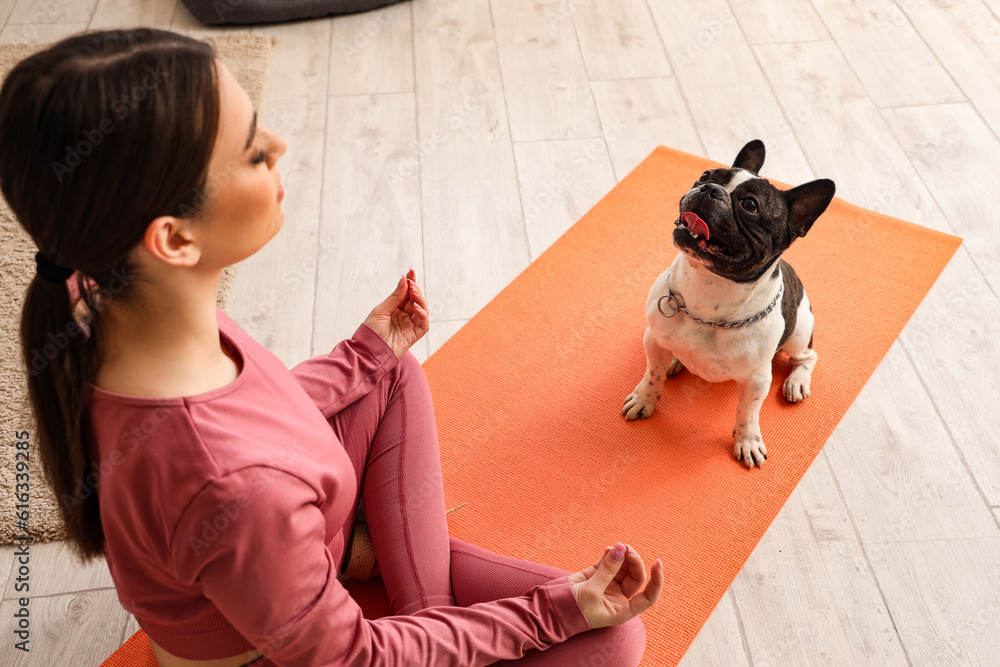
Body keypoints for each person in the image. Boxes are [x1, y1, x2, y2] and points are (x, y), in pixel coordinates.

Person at [3, 27, 662, 666]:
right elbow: (353, 655)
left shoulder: (113, 302)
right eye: (252, 152)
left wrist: (366, 351)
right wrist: (553, 613)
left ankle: (401, 595)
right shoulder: (234, 486)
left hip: (269, 560)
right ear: (174, 239)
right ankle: (409, 609)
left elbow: (255, 407)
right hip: (286, 645)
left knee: (390, 374)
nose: (279, 143)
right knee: (613, 641)